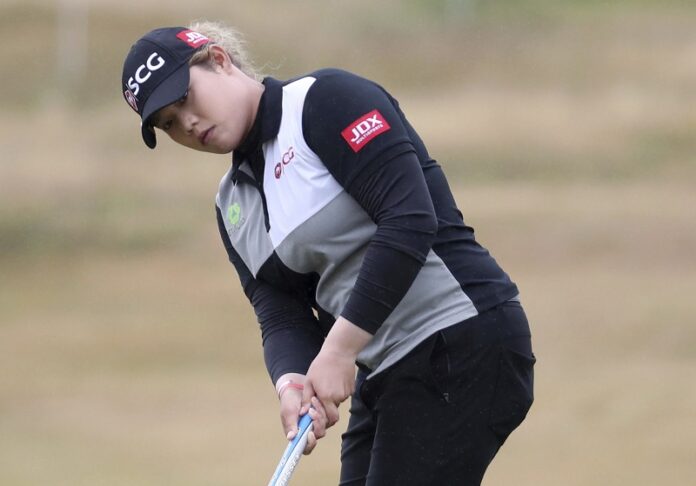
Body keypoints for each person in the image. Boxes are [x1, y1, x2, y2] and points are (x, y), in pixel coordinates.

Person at [121, 21, 535, 485]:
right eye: (169, 123)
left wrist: (338, 351)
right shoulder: (232, 205)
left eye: (184, 99)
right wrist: (292, 380)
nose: (188, 124)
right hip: (385, 372)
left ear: (219, 60)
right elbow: (281, 315)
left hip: (462, 336)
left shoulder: (324, 101)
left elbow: (409, 221)